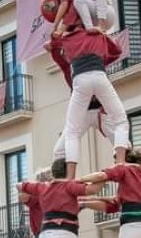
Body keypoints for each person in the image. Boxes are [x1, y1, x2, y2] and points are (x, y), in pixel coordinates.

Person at [49, 30, 130, 177]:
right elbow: (56, 54)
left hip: (100, 112)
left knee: (127, 147)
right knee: (59, 150)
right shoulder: (68, 66)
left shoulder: (96, 59)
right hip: (83, 114)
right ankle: (62, 185)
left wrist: (104, 36)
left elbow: (116, 53)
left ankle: (132, 175)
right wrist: (53, 45)